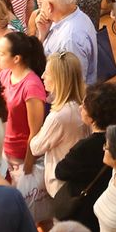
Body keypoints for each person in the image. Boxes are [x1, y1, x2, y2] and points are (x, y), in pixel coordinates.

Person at [49, 82, 116, 232]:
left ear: (92, 117)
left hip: (88, 216)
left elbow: (61, 171)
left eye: (84, 106)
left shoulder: (86, 148)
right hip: (114, 214)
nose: (80, 108)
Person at [28, 52, 91, 217]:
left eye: (47, 73)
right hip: (76, 179)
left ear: (59, 79)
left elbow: (35, 147)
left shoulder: (59, 116)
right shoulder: (81, 104)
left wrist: (35, 128)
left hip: (61, 186)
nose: (42, 76)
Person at [0, 32, 49, 184]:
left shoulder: (32, 86)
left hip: (21, 155)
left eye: (1, 54)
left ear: (16, 58)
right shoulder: (5, 74)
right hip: (5, 149)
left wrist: (28, 165)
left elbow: (35, 131)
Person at [36, 0, 101, 90]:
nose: (40, 7)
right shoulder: (75, 15)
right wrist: (43, 34)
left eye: (41, 3)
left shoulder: (70, 39)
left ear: (50, 7)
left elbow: (73, 85)